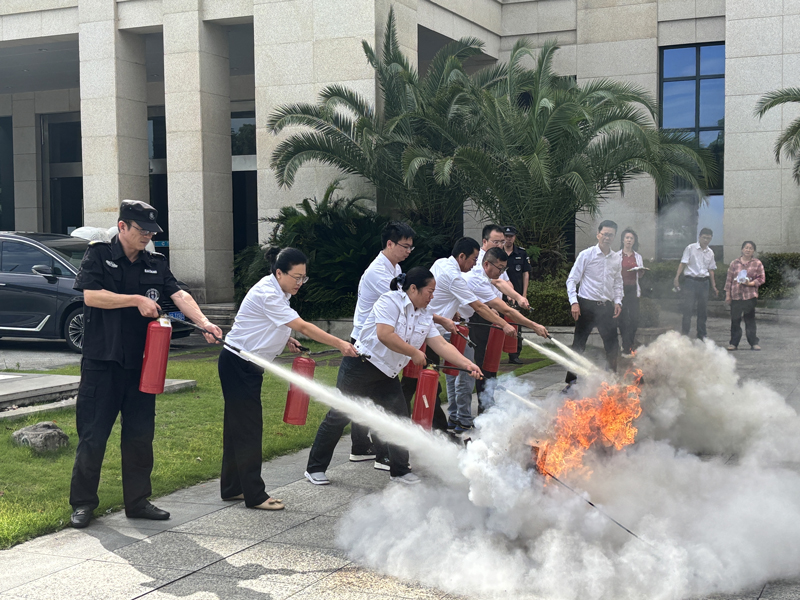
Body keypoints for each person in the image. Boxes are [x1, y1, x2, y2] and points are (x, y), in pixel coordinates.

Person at [69, 200, 224, 529]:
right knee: (93, 437)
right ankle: (83, 503)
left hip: (142, 365)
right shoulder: (98, 254)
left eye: (152, 231)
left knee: (140, 436)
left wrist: (205, 322)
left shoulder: (156, 262)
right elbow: (91, 296)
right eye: (142, 230)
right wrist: (137, 300)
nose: (148, 236)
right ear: (122, 226)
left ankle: (138, 502)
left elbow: (179, 295)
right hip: (102, 364)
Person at [304, 267, 483, 485]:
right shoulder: (390, 301)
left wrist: (468, 364)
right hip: (361, 365)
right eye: (430, 291)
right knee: (339, 415)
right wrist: (414, 352)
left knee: (399, 419)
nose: (432, 296)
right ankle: (314, 469)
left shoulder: (425, 314)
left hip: (387, 373)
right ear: (414, 288)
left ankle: (400, 471)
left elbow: (441, 344)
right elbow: (385, 335)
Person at [220, 247, 358, 509]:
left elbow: (267, 323)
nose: (300, 283)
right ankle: (255, 495)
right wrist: (340, 343)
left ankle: (232, 487)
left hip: (244, 363)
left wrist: (286, 338)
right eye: (296, 277)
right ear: (279, 272)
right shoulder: (268, 293)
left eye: (304, 278)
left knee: (236, 429)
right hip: (239, 364)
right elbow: (303, 325)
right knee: (249, 429)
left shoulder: (280, 291)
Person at [428, 237, 516, 432]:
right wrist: (503, 324)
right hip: (438, 332)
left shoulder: (440, 263)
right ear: (461, 256)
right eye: (474, 259)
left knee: (451, 375)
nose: (475, 263)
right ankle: (463, 420)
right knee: (469, 369)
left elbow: (440, 296)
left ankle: (456, 418)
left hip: (441, 328)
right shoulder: (455, 276)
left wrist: (452, 311)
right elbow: (478, 306)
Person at [349, 221, 416, 467]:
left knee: (364, 397)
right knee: (378, 399)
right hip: (367, 341)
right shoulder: (378, 272)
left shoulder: (394, 267)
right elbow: (403, 300)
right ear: (390, 244)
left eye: (411, 247)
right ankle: (381, 452)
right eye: (405, 246)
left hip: (374, 339)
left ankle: (363, 447)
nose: (409, 251)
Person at [463, 247, 549, 423]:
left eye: (504, 269)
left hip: (465, 319)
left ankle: (480, 408)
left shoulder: (487, 275)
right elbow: (505, 309)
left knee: (480, 366)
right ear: (487, 264)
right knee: (467, 371)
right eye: (500, 268)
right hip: (456, 325)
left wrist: (518, 297)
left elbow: (500, 284)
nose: (502, 272)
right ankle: (462, 417)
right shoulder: (477, 279)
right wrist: (534, 326)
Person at [565, 220, 624, 386]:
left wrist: (618, 301)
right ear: (598, 234)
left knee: (613, 345)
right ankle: (571, 380)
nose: (607, 237)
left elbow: (618, 282)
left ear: (614, 237)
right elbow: (572, 280)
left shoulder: (616, 258)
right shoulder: (586, 255)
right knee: (579, 344)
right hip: (586, 306)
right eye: (604, 234)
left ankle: (612, 378)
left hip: (606, 307)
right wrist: (574, 303)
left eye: (610, 235)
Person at [674, 228, 718, 340]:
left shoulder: (710, 252)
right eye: (704, 237)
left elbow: (711, 270)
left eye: (708, 238)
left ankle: (701, 334)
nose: (706, 240)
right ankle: (685, 333)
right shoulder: (690, 248)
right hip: (691, 281)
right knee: (688, 308)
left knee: (702, 310)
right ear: (699, 237)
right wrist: (677, 277)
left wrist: (714, 286)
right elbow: (683, 263)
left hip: (704, 282)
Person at [724, 241, 765, 351]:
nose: (748, 250)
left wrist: (750, 284)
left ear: (753, 251)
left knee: (750, 320)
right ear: (742, 249)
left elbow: (761, 278)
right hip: (736, 296)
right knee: (735, 320)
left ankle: (754, 343)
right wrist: (728, 295)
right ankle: (733, 343)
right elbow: (728, 280)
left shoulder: (757, 263)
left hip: (750, 296)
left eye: (750, 248)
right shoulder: (734, 263)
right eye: (746, 248)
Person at [502, 225, 532, 364]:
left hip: (517, 296)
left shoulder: (521, 253)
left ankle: (514, 355)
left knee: (516, 324)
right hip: (499, 295)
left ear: (514, 237)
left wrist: (523, 295)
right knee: (496, 323)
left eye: (511, 236)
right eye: (506, 236)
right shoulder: (496, 252)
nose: (508, 239)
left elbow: (525, 274)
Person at [616, 228, 645, 356]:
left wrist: (641, 272)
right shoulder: (616, 256)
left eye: (631, 238)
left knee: (634, 318)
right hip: (621, 289)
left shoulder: (637, 256)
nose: (629, 240)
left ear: (634, 241)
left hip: (633, 289)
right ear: (623, 240)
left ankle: (630, 344)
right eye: (627, 238)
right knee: (622, 318)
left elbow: (641, 275)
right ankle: (625, 344)